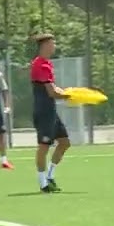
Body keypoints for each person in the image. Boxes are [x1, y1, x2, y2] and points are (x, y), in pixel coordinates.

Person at [28, 34, 73, 193]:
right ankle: (43, 183)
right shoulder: (40, 64)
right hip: (43, 112)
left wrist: (70, 92)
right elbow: (52, 92)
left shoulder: (47, 64)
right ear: (44, 45)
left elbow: (54, 88)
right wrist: (70, 96)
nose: (54, 46)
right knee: (44, 146)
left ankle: (50, 176)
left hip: (51, 111)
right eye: (52, 44)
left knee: (64, 143)